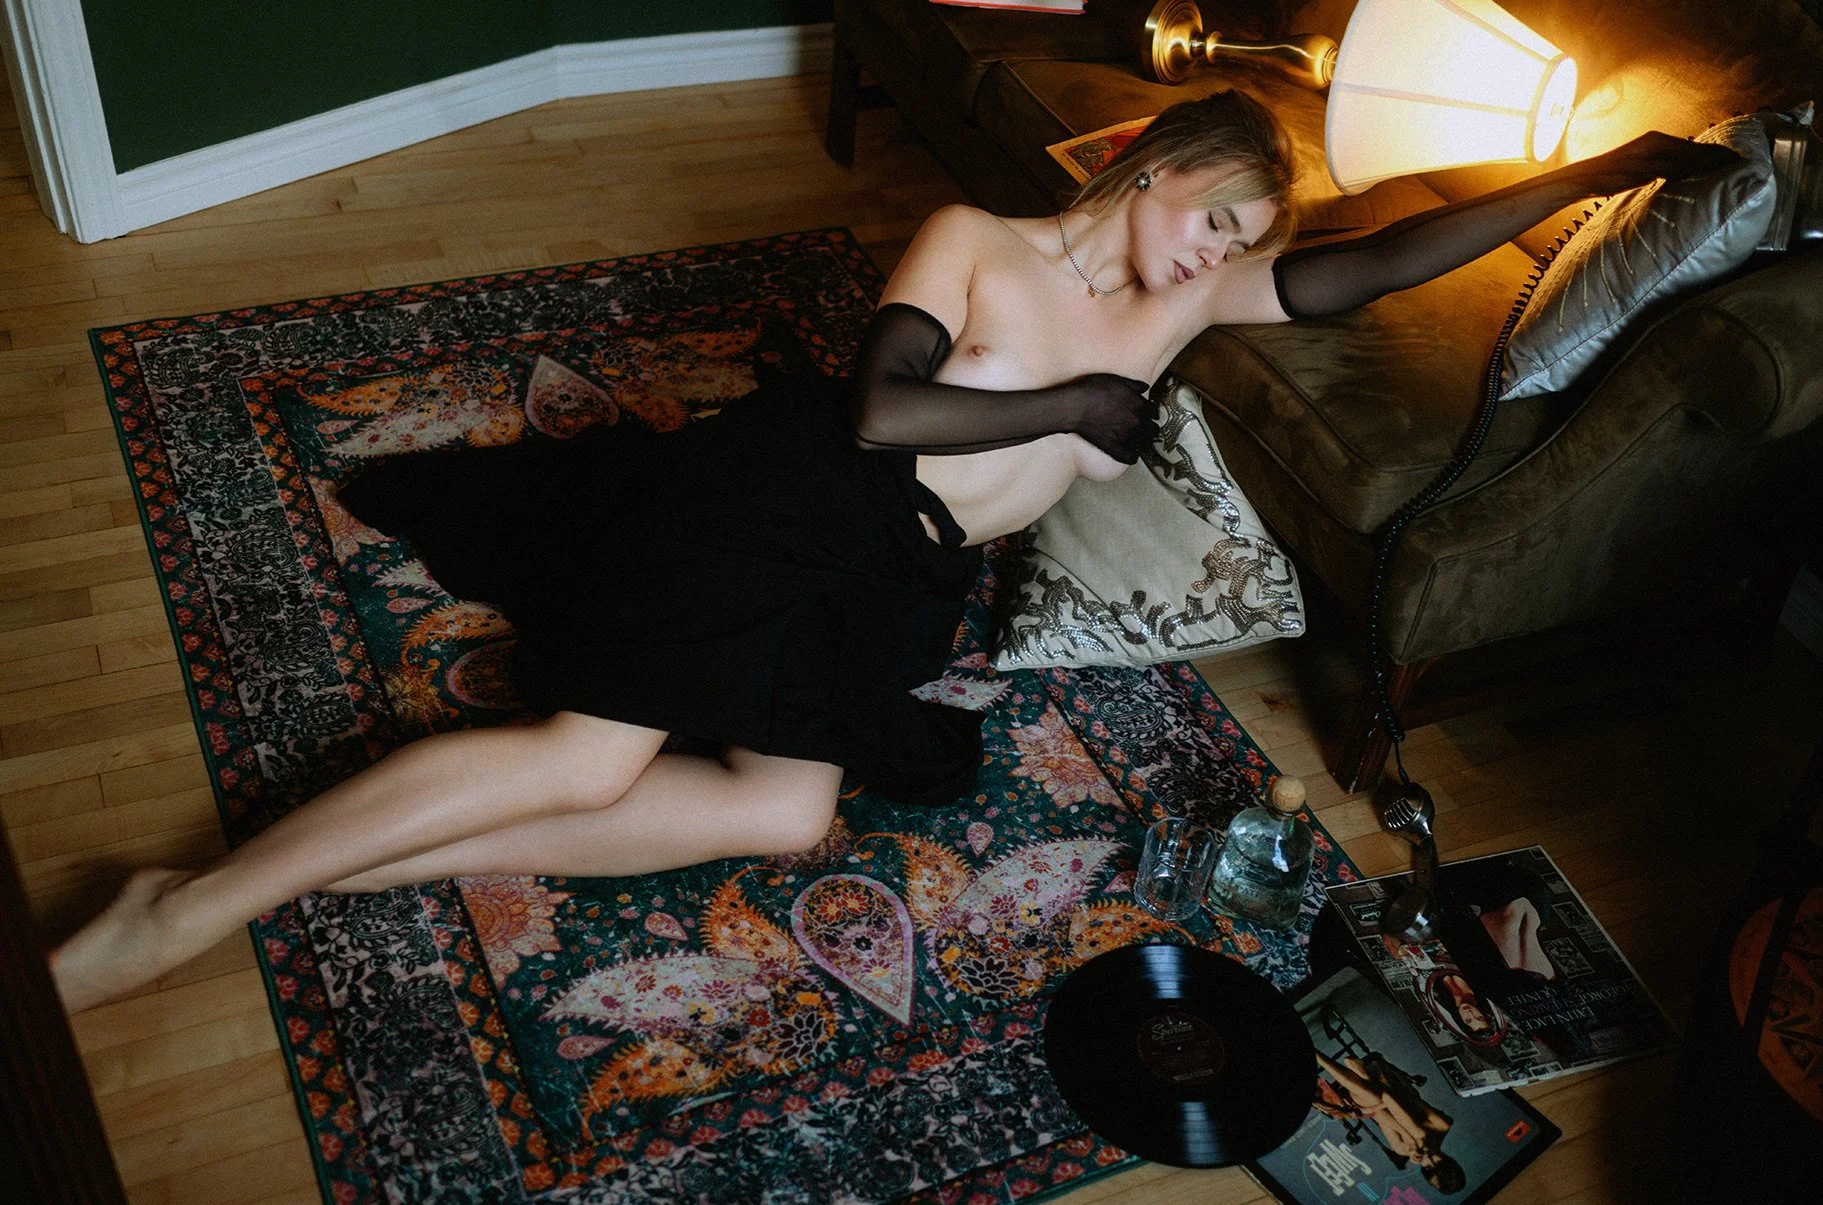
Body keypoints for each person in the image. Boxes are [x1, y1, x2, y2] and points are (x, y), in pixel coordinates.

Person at [48, 91, 1736, 1013]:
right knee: (591, 747)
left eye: (1242, 244)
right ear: (1158, 167)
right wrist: (1074, 394)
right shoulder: (980, 242)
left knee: (782, 811)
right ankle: (187, 910)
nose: (1219, 254)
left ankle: (307, 869)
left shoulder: (1186, 301)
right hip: (796, 497)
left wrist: (1602, 169)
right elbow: (878, 413)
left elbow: (1377, 264)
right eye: (1212, 213)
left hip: (895, 574)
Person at [1314, 1049, 1465, 1194]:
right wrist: (1417, 1133)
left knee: (1374, 1098)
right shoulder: (1441, 1125)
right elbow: (1405, 1097)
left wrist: (1410, 1138)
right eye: (1438, 1163)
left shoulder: (1402, 1149)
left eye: (1428, 1169)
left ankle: (1317, 1055)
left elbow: (1379, 1114)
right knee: (1376, 1097)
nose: (1429, 1159)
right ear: (1448, 1159)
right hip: (1388, 1083)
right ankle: (1318, 1056)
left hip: (1366, 1102)